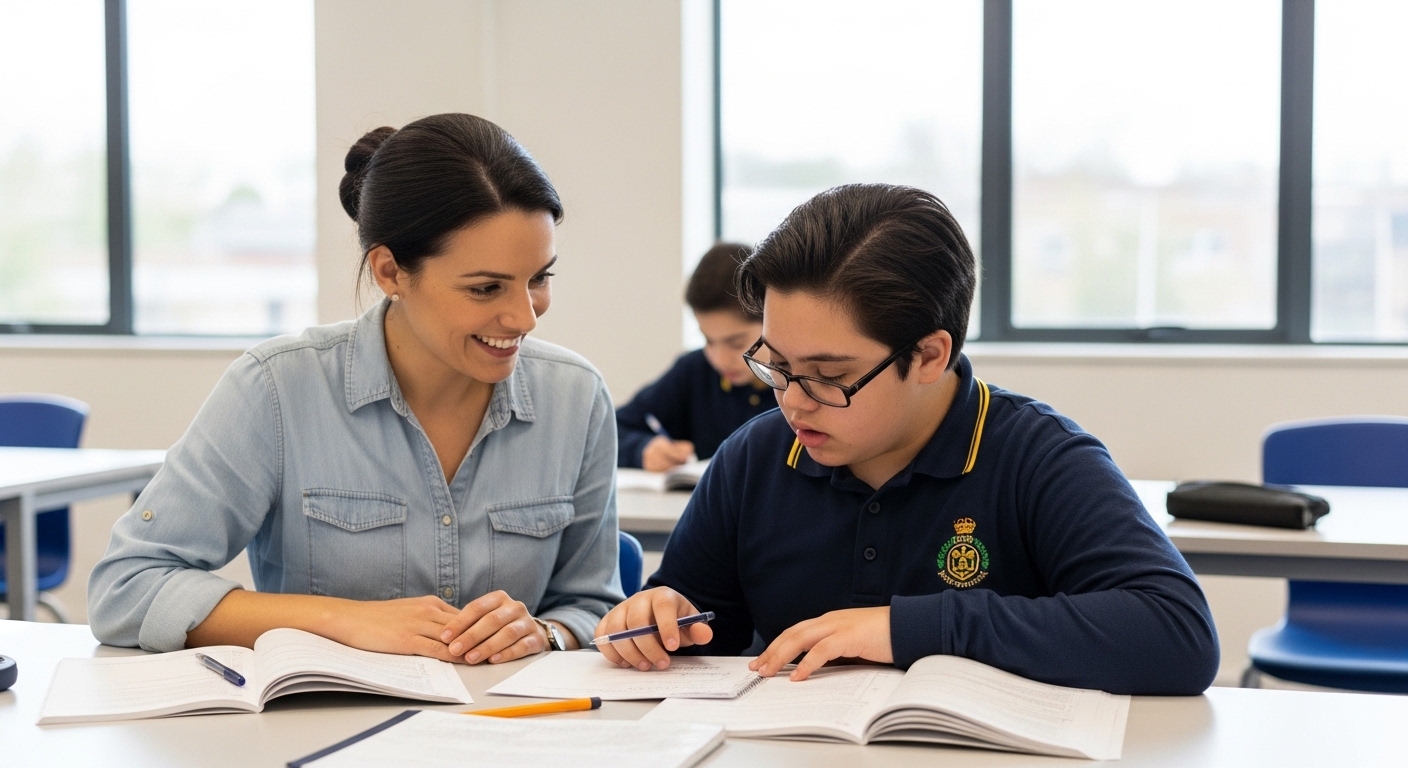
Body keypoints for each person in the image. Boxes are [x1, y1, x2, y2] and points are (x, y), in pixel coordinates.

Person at [593, 184, 1219, 695]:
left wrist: (905, 628)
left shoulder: (1037, 456)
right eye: (776, 365)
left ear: (929, 356)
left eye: (828, 375)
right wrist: (658, 620)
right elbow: (703, 622)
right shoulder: (755, 457)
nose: (793, 401)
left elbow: (1175, 633)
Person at [89, 114, 623, 665]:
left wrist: (547, 633)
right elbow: (126, 588)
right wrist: (343, 621)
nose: (525, 317)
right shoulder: (277, 389)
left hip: (513, 716)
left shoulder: (576, 398)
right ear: (390, 271)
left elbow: (591, 604)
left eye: (539, 278)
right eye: (486, 288)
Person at [616, 243, 776, 471]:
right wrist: (642, 449)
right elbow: (609, 428)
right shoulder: (695, 371)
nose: (719, 359)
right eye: (708, 341)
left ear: (773, 323)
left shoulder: (799, 385)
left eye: (736, 343)